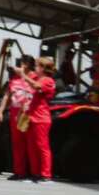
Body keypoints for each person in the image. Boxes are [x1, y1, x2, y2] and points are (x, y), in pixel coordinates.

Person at [26, 54, 58, 182]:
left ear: (43, 68)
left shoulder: (48, 80)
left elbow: (36, 86)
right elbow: (29, 78)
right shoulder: (37, 78)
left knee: (42, 146)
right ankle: (35, 173)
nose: (35, 68)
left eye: (37, 66)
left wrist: (24, 76)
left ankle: (46, 174)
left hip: (41, 118)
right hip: (32, 116)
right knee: (32, 146)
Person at [5, 57, 37, 181]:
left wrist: (24, 75)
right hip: (15, 112)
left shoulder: (35, 77)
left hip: (29, 113)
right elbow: (8, 95)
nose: (20, 65)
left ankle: (32, 172)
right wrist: (1, 110)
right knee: (17, 143)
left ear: (29, 64)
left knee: (29, 143)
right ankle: (19, 171)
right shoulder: (15, 79)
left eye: (23, 63)